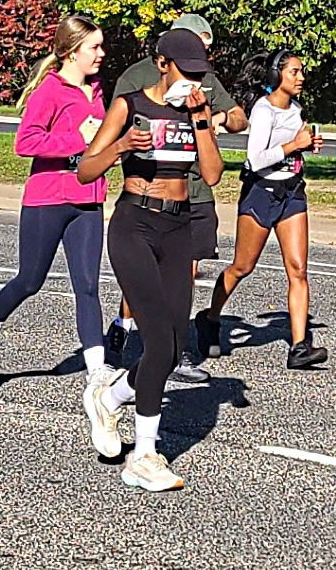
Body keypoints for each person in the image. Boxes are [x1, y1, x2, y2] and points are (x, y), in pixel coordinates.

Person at [78, 28, 226, 492]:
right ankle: (144, 454)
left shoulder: (194, 110)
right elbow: (85, 168)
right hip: (134, 224)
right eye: (187, 72)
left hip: (177, 226)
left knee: (174, 340)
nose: (193, 81)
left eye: (200, 74)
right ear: (163, 64)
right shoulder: (130, 103)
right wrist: (122, 146)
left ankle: (111, 396)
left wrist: (201, 117)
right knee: (159, 341)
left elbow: (213, 174)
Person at [104, 12, 246, 385]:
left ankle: (175, 348)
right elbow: (115, 128)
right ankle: (125, 325)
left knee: (186, 272)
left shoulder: (203, 79)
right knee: (145, 277)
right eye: (200, 45)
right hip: (146, 193)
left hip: (194, 193)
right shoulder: (136, 79)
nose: (201, 62)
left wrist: (212, 119)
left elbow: (237, 119)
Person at [0, 15, 110, 388]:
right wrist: (76, 142)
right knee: (30, 280)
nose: (101, 54)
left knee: (88, 285)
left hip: (89, 199)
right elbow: (25, 143)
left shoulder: (97, 91)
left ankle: (97, 370)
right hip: (47, 198)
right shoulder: (49, 91)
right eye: (94, 47)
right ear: (71, 51)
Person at [196, 48, 327, 369]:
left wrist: (307, 146)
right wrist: (293, 145)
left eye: (301, 71)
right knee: (242, 266)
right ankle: (210, 319)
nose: (301, 77)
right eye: (294, 72)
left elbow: (291, 150)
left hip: (292, 190)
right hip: (261, 193)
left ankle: (299, 346)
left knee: (298, 270)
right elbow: (255, 159)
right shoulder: (263, 111)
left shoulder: (295, 109)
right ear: (276, 75)